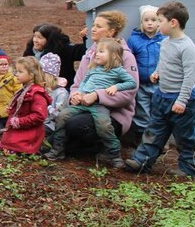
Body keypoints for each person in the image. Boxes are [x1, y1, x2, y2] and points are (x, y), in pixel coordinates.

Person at [126, 1, 195, 177]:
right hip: (162, 94)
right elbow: (164, 62)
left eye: (160, 21)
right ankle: (141, 161)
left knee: (186, 136)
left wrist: (182, 101)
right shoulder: (166, 42)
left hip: (182, 99)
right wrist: (157, 73)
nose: (157, 24)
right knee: (154, 129)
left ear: (173, 22)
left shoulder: (188, 47)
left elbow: (190, 78)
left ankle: (189, 168)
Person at [45, 39, 138, 168]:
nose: (96, 54)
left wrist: (116, 87)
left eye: (101, 52)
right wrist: (78, 93)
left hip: (99, 106)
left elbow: (132, 83)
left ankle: (114, 155)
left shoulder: (118, 71)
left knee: (104, 127)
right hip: (82, 102)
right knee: (62, 116)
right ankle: (57, 148)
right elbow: (84, 82)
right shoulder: (93, 68)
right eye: (96, 51)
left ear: (113, 55)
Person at [62, 11, 139, 155]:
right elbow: (77, 84)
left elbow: (129, 92)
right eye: (93, 25)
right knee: (62, 121)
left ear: (111, 32)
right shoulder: (89, 55)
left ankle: (105, 148)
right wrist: (75, 95)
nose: (93, 29)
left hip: (113, 115)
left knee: (74, 126)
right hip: (84, 108)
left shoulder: (125, 56)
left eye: (98, 26)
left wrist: (98, 95)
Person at [127, 5, 166, 141]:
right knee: (142, 111)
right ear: (141, 23)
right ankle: (141, 139)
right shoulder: (134, 40)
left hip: (159, 84)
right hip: (141, 84)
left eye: (154, 20)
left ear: (159, 23)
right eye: (146, 20)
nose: (150, 23)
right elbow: (129, 60)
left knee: (158, 111)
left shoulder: (164, 41)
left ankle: (157, 140)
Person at [0, 57, 51, 155]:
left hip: (30, 131)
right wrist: (13, 110)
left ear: (31, 75)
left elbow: (39, 116)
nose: (16, 74)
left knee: (13, 148)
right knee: (7, 145)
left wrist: (19, 121)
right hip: (22, 128)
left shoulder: (37, 94)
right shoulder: (25, 89)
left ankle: (25, 149)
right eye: (16, 71)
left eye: (20, 72)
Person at [22, 23, 87, 89]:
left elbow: (85, 52)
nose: (35, 40)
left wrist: (86, 37)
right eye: (34, 36)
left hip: (61, 88)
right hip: (35, 90)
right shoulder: (30, 51)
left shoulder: (63, 49)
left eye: (39, 37)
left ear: (50, 39)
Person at [40, 53, 68, 137]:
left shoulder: (61, 93)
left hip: (52, 125)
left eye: (42, 74)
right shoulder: (43, 89)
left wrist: (47, 107)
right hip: (42, 121)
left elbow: (60, 115)